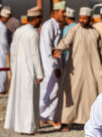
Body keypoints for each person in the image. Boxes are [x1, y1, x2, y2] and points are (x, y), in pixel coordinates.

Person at [53, 7, 102, 131]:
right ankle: (66, 122)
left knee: (91, 95)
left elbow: (101, 51)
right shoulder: (74, 30)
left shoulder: (95, 32)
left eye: (84, 18)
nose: (81, 20)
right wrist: (59, 50)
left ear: (90, 19)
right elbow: (65, 42)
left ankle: (88, 121)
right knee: (72, 94)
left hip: (92, 69)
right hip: (75, 69)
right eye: (80, 18)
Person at [4, 7, 44, 135]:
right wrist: (40, 73)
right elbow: (35, 55)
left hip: (19, 71)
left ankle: (21, 126)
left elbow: (13, 51)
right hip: (29, 71)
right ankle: (29, 128)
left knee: (21, 99)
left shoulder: (19, 31)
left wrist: (13, 69)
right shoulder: (33, 33)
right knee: (29, 100)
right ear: (36, 19)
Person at [39, 1, 66, 129]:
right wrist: (54, 67)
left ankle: (46, 117)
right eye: (62, 12)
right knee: (50, 91)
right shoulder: (48, 26)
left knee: (54, 91)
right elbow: (46, 48)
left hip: (55, 64)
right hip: (49, 65)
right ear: (55, 13)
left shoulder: (57, 25)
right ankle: (45, 117)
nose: (64, 14)